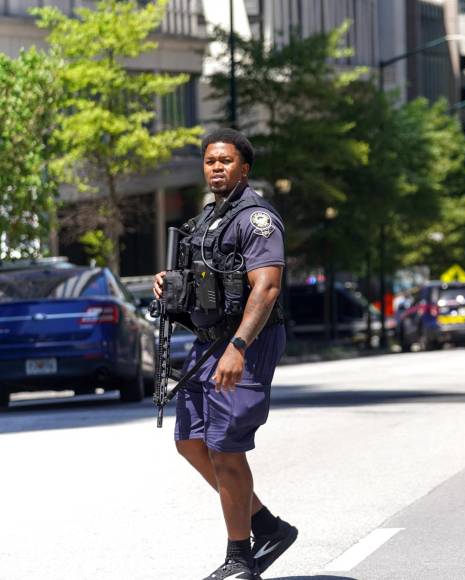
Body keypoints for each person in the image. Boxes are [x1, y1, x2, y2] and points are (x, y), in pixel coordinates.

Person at [153, 129, 297, 580]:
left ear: (244, 168)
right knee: (190, 441)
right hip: (208, 340)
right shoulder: (208, 220)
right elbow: (201, 276)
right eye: (210, 161)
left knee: (225, 448)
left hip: (244, 345)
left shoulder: (257, 220)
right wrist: (167, 281)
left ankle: (240, 557)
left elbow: (267, 287)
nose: (217, 167)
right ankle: (267, 527)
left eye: (226, 161)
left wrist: (239, 346)